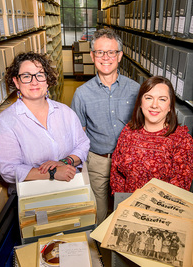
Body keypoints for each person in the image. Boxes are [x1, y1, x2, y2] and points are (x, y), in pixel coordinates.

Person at [0, 52, 90, 193]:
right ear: (16, 82)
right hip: (34, 194)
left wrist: (63, 162)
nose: (34, 82)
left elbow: (83, 144)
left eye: (40, 75)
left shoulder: (65, 112)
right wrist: (52, 173)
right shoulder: (6, 121)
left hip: (71, 187)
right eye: (26, 76)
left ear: (47, 80)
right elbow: (8, 170)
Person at [71, 28, 140, 224]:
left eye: (111, 52)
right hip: (98, 162)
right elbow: (79, 136)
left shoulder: (135, 89)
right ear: (92, 55)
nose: (106, 57)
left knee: (126, 214)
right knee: (97, 214)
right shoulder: (82, 94)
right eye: (100, 52)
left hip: (129, 163)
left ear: (120, 55)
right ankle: (98, 253)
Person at [110, 76, 193, 194]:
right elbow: (116, 173)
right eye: (149, 98)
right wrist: (121, 203)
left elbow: (180, 186)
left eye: (162, 99)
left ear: (170, 106)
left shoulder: (181, 139)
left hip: (161, 209)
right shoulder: (128, 132)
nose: (154, 105)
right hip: (128, 206)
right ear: (140, 102)